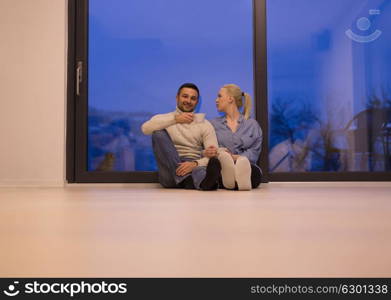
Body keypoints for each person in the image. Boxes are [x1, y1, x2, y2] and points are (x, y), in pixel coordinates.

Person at [141, 83, 221, 190]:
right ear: (177, 97)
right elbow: (145, 129)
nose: (188, 101)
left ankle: (205, 183)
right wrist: (176, 120)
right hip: (170, 171)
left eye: (193, 98)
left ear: (197, 102)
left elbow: (213, 154)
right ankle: (189, 180)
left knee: (200, 169)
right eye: (185, 96)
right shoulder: (165, 119)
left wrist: (195, 163)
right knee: (158, 133)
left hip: (192, 165)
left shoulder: (204, 124)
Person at [204, 84, 262, 190]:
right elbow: (207, 146)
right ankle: (232, 180)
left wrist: (236, 158)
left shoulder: (252, 125)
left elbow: (254, 152)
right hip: (222, 167)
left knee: (255, 172)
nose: (216, 100)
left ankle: (232, 180)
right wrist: (213, 152)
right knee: (215, 166)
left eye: (220, 96)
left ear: (230, 99)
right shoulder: (212, 124)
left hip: (247, 166)